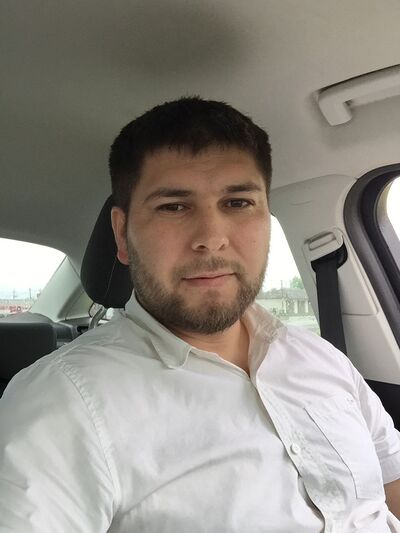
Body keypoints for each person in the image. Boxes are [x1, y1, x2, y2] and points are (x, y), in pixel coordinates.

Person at [1, 97, 400, 532]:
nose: (212, 238)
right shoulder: (61, 403)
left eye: (238, 203)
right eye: (173, 207)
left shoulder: (321, 358)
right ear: (122, 234)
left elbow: (391, 482)